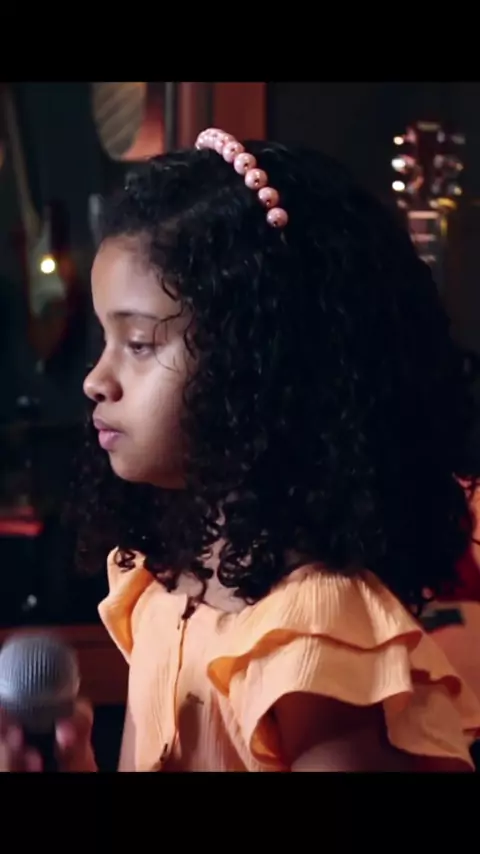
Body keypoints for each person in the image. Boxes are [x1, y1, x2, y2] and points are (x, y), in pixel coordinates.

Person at [4, 128, 480, 771]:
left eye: (138, 344)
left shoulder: (315, 639)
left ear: (258, 363)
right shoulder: (161, 587)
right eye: (105, 340)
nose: (96, 379)